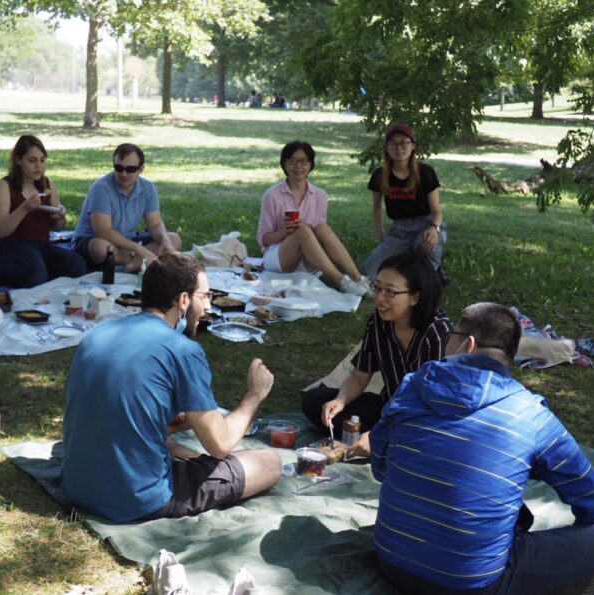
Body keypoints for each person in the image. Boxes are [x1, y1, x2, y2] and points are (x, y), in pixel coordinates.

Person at [370, 302, 594, 595]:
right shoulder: (531, 415)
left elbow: (381, 466)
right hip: (472, 584)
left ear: (467, 343)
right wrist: (582, 543)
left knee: (516, 518)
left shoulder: (411, 389)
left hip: (392, 561)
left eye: (451, 334)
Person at [62, 253, 281, 522]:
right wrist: (254, 395)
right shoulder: (183, 350)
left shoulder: (99, 332)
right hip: (138, 499)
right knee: (270, 463)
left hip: (77, 484)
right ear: (183, 300)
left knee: (171, 444)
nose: (208, 307)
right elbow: (220, 445)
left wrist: (179, 424)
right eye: (205, 296)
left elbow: (117, 408)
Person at [301, 251, 451, 452]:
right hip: (388, 408)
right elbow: (359, 376)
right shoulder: (378, 323)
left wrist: (380, 433)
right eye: (377, 288)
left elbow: (435, 404)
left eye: (390, 292)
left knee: (424, 439)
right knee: (315, 400)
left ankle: (384, 441)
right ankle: (380, 442)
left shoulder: (437, 332)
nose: (380, 298)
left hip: (423, 419)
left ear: (415, 297)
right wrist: (340, 401)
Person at [257, 140, 370, 297]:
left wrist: (306, 228)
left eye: (303, 161)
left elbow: (320, 235)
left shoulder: (319, 195)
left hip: (310, 257)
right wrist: (283, 231)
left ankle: (358, 278)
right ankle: (340, 281)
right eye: (292, 161)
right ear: (285, 165)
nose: (298, 167)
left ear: (310, 165)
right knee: (302, 230)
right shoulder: (272, 195)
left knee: (321, 228)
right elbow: (264, 240)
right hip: (279, 258)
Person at [0, 135, 86, 288]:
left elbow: (58, 227)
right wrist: (24, 208)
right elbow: (0, 231)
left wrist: (59, 217)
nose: (38, 166)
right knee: (35, 272)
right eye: (32, 161)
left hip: (40, 247)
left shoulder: (47, 184)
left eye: (42, 160)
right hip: (8, 247)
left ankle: (38, 275)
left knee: (77, 265)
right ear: (19, 160)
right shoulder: (5, 186)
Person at [73, 143, 182, 273]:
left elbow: (155, 224)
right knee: (101, 248)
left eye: (130, 169)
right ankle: (138, 261)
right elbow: (103, 231)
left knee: (174, 239)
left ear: (141, 169)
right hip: (94, 240)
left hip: (127, 241)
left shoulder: (148, 188)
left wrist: (165, 240)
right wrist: (138, 249)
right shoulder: (101, 188)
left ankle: (133, 263)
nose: (124, 173)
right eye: (118, 168)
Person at [359, 123, 447, 283]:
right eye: (393, 143)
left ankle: (433, 270)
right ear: (387, 148)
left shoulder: (425, 172)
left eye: (404, 142)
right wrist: (381, 239)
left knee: (424, 247)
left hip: (426, 225)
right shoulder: (380, 175)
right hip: (400, 230)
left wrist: (435, 228)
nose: (399, 147)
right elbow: (377, 208)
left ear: (412, 145)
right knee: (368, 274)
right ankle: (414, 262)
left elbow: (437, 211)